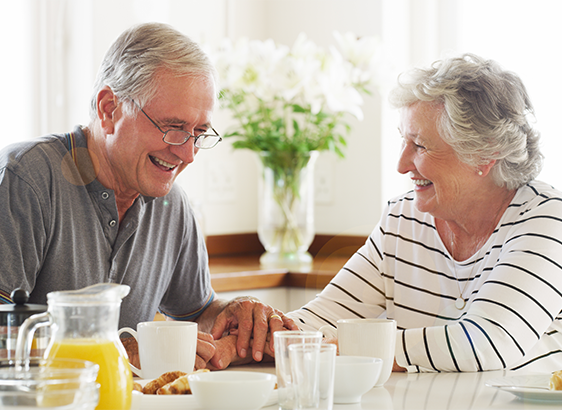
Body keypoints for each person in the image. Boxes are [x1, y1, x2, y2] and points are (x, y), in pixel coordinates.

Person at [0, 22, 296, 370]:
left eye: (199, 132)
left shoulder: (173, 205)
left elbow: (196, 313)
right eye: (173, 128)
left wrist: (233, 314)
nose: (188, 155)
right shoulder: (26, 179)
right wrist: (120, 351)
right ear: (109, 109)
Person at [287, 53, 562, 373]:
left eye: (420, 145)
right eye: (403, 141)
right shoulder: (402, 219)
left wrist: (343, 349)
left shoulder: (547, 220)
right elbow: (321, 317)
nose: (402, 165)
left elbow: (487, 343)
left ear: (484, 153)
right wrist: (251, 338)